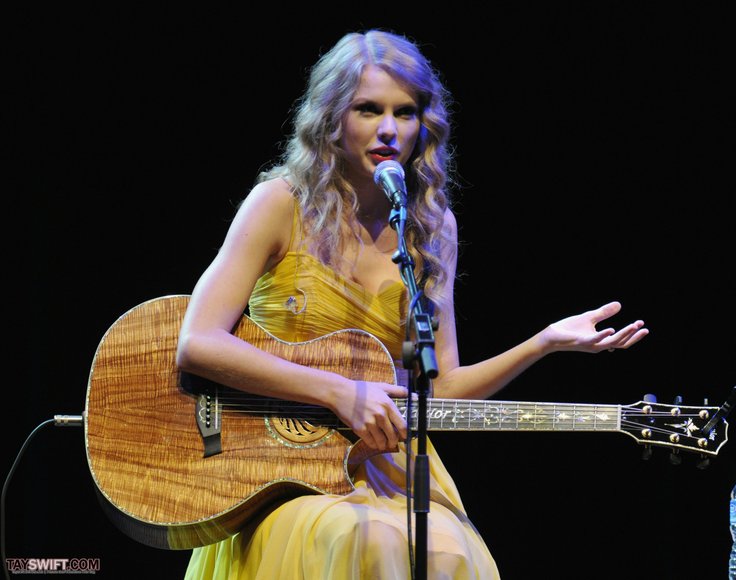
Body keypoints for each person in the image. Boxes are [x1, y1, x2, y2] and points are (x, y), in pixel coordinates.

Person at [176, 29, 648, 580]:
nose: (387, 129)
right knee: (357, 539)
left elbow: (439, 388)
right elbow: (198, 342)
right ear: (332, 119)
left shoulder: (430, 229)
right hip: (275, 466)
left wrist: (543, 343)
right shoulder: (281, 203)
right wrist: (340, 392)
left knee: (452, 553)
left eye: (404, 113)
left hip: (383, 466)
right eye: (368, 109)